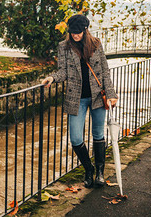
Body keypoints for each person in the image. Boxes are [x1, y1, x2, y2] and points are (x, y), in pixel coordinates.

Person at [41, 14, 118, 188]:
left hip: (98, 97)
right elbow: (63, 72)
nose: (75, 35)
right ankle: (88, 169)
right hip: (76, 98)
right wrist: (52, 78)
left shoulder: (96, 44)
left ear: (85, 30)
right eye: (72, 32)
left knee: (98, 135)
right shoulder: (64, 47)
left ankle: (99, 173)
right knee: (75, 138)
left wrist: (111, 94)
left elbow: (105, 71)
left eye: (78, 32)